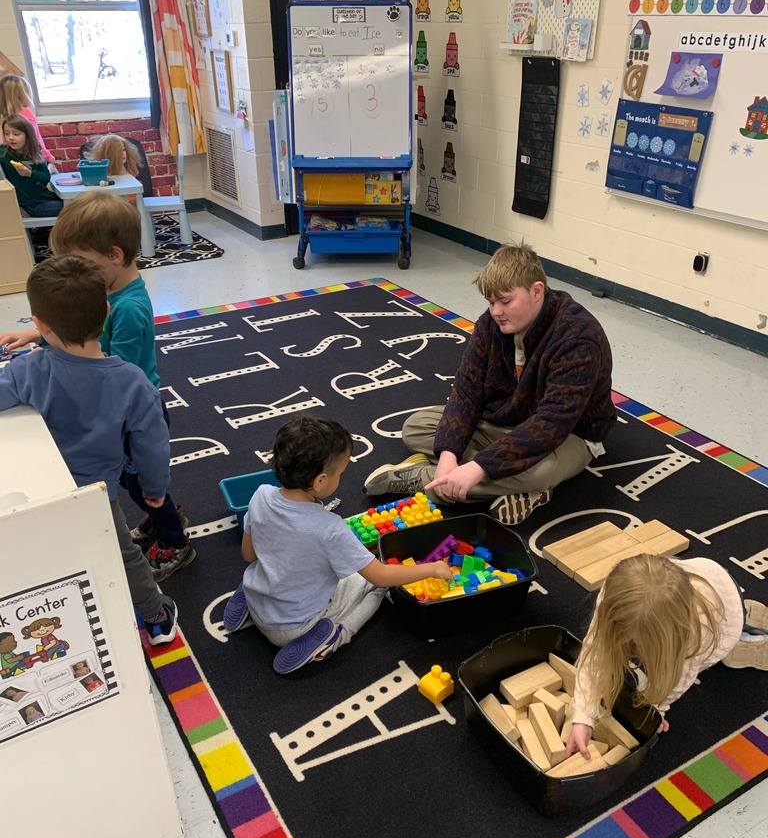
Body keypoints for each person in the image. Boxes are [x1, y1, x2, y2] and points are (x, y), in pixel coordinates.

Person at [0, 193, 194, 580]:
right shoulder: (104, 294)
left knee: (143, 485)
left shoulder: (129, 310)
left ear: (114, 255)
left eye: (81, 262)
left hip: (132, 413)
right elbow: (82, 335)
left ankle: (175, 541)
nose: (77, 272)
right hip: (118, 407)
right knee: (130, 480)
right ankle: (160, 514)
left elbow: (120, 373)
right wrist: (37, 336)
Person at [363, 242, 616, 525]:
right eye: (491, 302)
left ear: (536, 291)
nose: (496, 311)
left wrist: (479, 467)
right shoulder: (491, 324)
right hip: (506, 420)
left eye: (506, 301)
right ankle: (494, 482)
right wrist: (448, 455)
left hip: (570, 435)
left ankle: (426, 480)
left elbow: (552, 423)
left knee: (540, 471)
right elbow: (466, 391)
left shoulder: (578, 338)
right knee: (416, 427)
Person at [0, 255, 178, 647]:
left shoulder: (28, 370)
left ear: (40, 324)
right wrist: (154, 489)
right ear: (107, 310)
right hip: (97, 494)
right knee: (125, 554)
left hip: (38, 490)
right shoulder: (133, 382)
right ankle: (157, 618)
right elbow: (152, 444)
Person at [222, 416, 453, 675]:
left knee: (271, 565)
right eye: (341, 473)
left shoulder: (260, 494)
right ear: (320, 481)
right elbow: (381, 574)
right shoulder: (330, 528)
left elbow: (248, 555)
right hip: (293, 629)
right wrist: (433, 569)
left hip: (260, 598)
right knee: (376, 587)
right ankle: (333, 637)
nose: (342, 478)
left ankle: (252, 604)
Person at [566, 554, 768, 761]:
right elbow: (595, 652)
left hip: (725, 614)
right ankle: (748, 614)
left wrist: (657, 709)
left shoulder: (695, 636)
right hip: (710, 582)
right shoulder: (614, 595)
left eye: (640, 644)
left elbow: (677, 679)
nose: (631, 648)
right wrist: (583, 716)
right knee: (736, 613)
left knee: (731, 628)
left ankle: (749, 644)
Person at [0, 114, 62, 217]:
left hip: (45, 198)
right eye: (7, 134)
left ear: (27, 135)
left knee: (77, 203)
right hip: (31, 205)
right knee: (75, 208)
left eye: (16, 134)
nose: (11, 138)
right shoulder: (3, 153)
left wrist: (29, 173)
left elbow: (45, 177)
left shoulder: (35, 153)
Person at [0, 74, 56, 168]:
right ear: (23, 95)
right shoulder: (26, 115)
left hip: (10, 163)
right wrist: (49, 157)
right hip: (32, 161)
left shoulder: (3, 118)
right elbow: (35, 141)